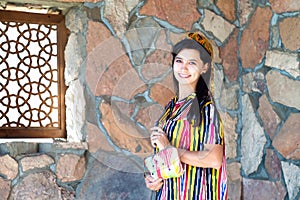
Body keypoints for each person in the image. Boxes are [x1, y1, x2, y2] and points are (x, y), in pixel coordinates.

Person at [144, 32, 227, 200]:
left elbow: (214, 159)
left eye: (192, 63)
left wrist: (169, 150)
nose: (183, 68)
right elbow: (168, 164)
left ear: (204, 67)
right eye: (179, 61)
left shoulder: (206, 108)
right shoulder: (171, 107)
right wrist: (155, 178)